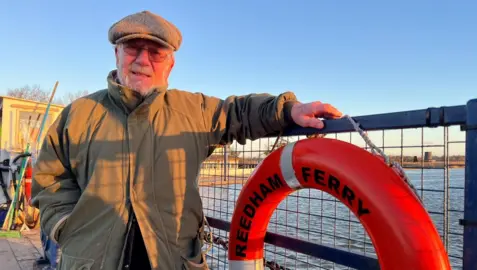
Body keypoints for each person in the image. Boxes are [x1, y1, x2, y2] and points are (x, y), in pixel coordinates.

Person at [31, 10, 342, 270]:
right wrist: (66, 226)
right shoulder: (78, 114)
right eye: (132, 48)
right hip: (91, 260)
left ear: (171, 64)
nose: (142, 60)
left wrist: (288, 110)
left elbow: (240, 112)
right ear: (116, 53)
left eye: (155, 52)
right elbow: (49, 178)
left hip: (174, 260)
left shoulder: (193, 110)